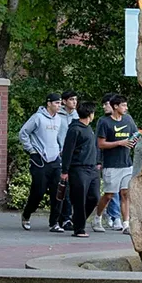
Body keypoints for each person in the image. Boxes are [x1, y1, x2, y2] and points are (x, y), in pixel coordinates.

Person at [17, 92, 65, 232]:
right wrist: (31, 150)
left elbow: (59, 137)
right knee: (38, 191)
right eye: (56, 103)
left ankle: (54, 223)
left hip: (55, 159)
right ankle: (26, 215)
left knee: (58, 192)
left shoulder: (59, 119)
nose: (59, 105)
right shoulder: (38, 117)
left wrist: (60, 150)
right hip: (40, 159)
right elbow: (23, 133)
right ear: (49, 103)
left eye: (60, 103)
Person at [92, 95, 140, 234]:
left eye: (126, 105)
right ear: (115, 107)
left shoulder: (128, 119)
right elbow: (100, 144)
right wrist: (120, 142)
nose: (126, 108)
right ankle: (98, 218)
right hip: (111, 165)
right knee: (109, 195)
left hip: (127, 164)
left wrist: (133, 140)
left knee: (125, 193)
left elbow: (135, 133)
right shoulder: (104, 122)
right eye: (123, 105)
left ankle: (126, 224)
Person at [61, 100, 99, 238]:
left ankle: (77, 220)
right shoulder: (75, 129)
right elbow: (67, 151)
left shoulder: (89, 128)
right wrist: (64, 171)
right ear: (89, 114)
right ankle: (79, 229)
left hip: (92, 168)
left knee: (94, 197)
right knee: (79, 199)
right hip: (78, 168)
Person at [53, 89, 80, 230]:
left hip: (74, 157)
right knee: (62, 188)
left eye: (75, 100)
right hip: (59, 156)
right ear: (64, 101)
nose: (74, 102)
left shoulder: (77, 116)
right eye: (71, 100)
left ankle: (68, 218)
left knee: (72, 188)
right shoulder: (58, 116)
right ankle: (60, 218)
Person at [100, 92, 123, 230]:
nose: (104, 107)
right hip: (109, 162)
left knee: (122, 190)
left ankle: (114, 215)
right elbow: (99, 143)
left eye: (106, 104)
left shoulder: (125, 120)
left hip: (123, 161)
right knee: (111, 191)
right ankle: (114, 216)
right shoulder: (103, 122)